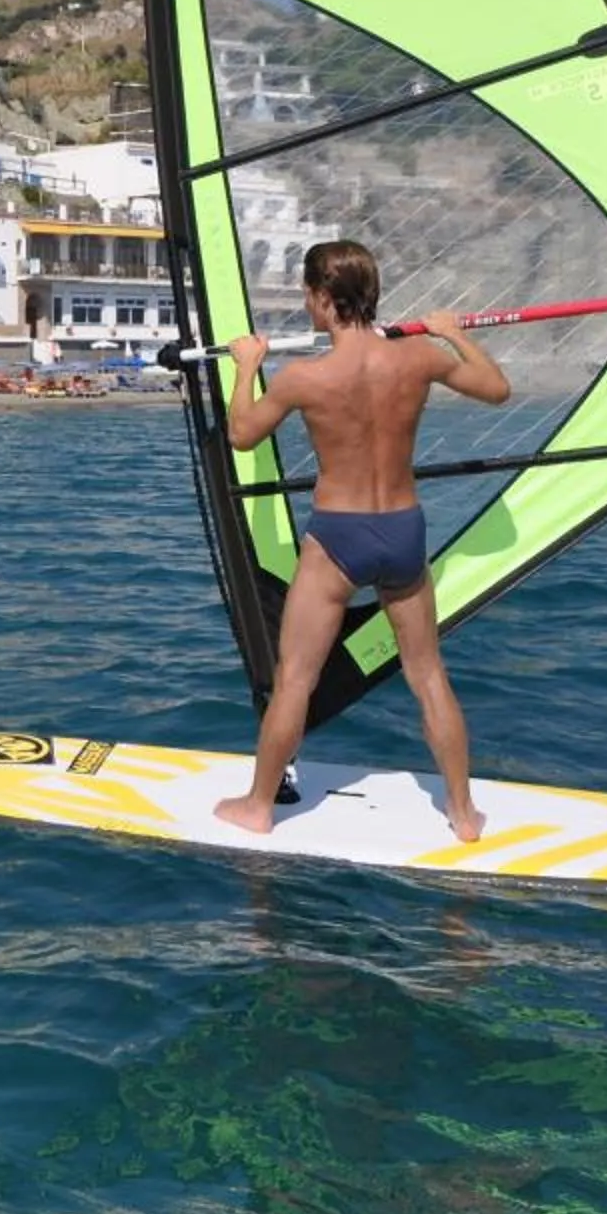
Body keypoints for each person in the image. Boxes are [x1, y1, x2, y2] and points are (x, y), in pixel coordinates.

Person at [211, 241, 511, 843]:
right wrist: (453, 333)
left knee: (295, 677)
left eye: (306, 295)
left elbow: (242, 434)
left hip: (338, 536)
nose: (305, 305)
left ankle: (257, 807)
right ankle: (462, 813)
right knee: (428, 675)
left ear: (323, 299)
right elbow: (496, 388)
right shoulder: (419, 358)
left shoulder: (305, 377)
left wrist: (246, 364)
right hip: (403, 531)